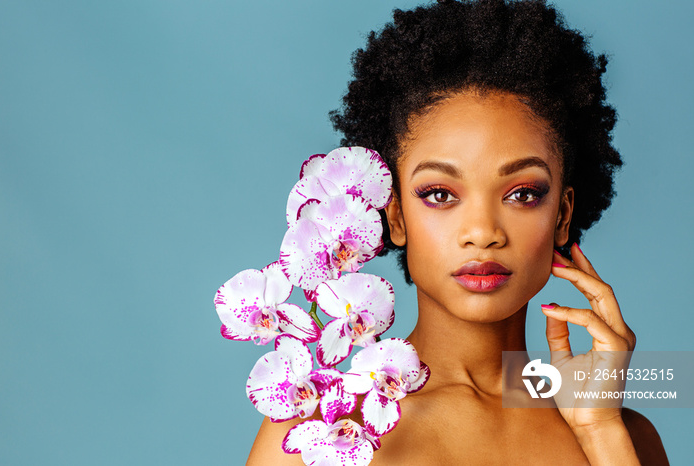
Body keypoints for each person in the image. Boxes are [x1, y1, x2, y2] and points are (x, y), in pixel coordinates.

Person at [247, 0, 669, 463]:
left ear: (563, 216)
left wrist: (599, 430)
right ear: (395, 217)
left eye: (523, 194)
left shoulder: (622, 431)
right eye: (441, 194)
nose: (483, 232)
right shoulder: (323, 431)